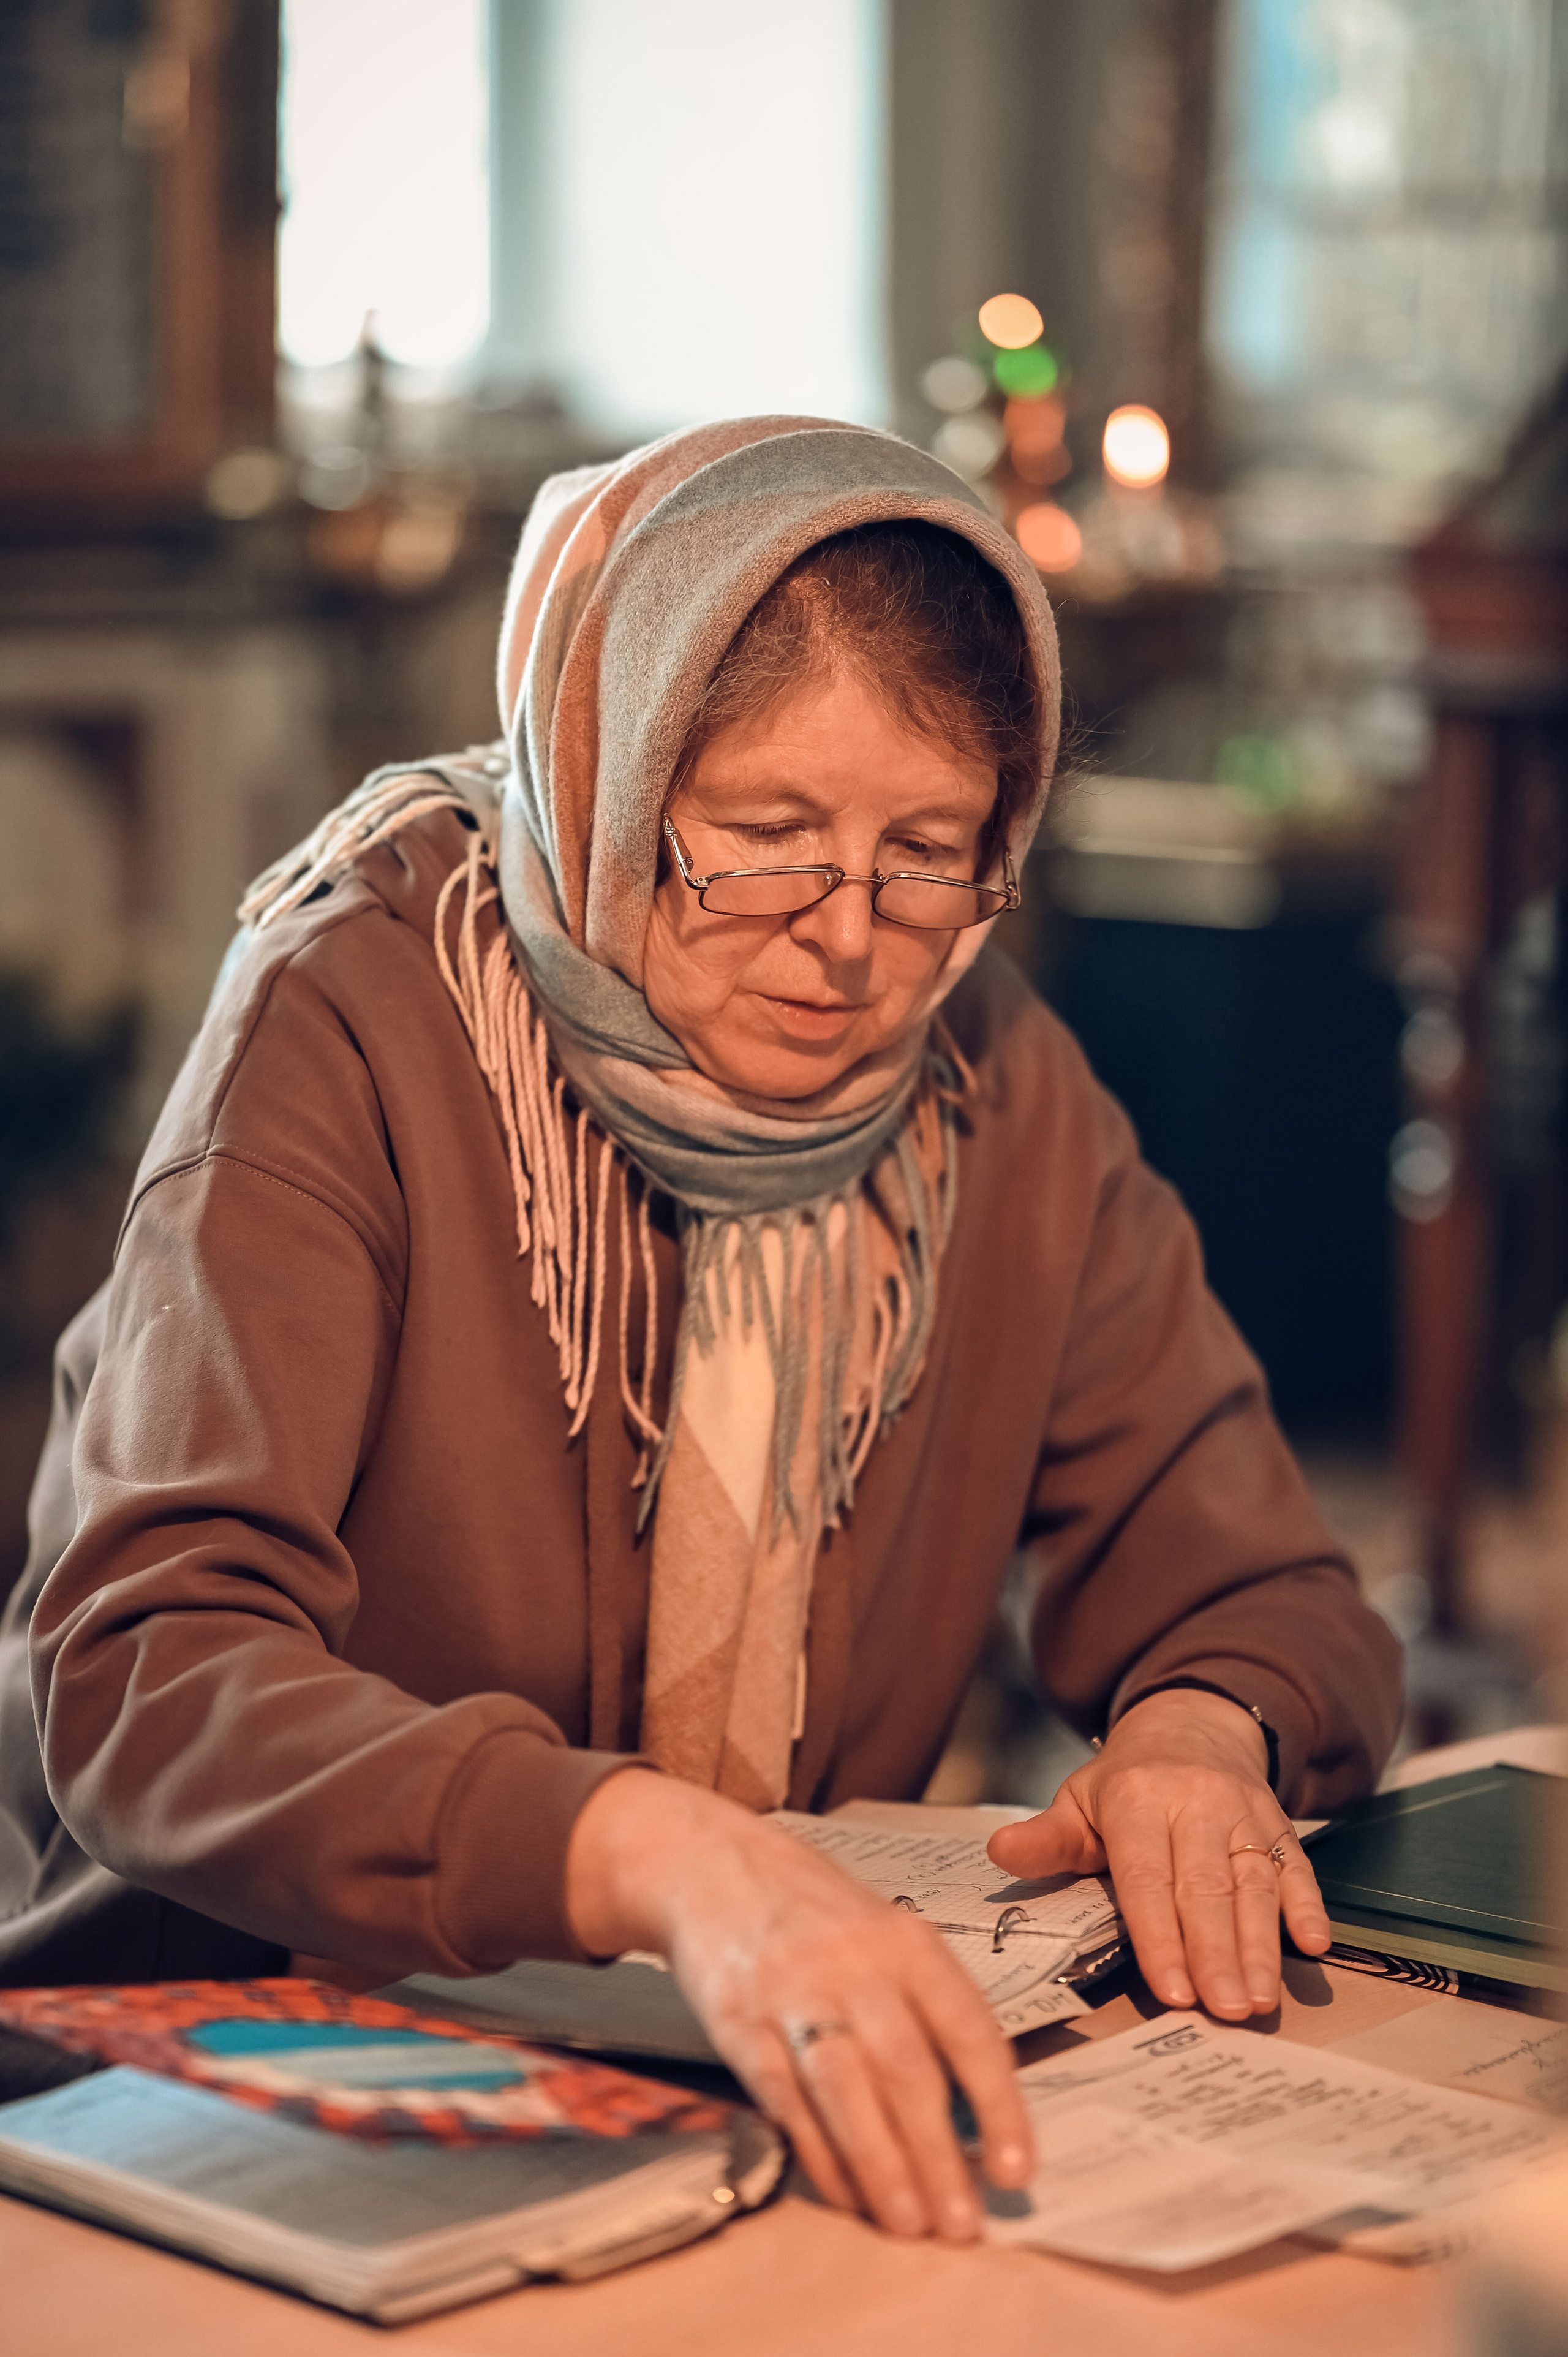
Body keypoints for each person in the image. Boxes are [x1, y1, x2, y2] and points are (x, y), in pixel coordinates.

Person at [0, 417, 1401, 2244]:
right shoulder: (353, 1018)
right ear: (608, 763)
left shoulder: (995, 1089)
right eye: (763, 842)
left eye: (928, 853)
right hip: (247, 2054)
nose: (849, 940)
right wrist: (654, 1853)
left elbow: (1271, 1590)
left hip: (745, 2070)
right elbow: (150, 1672)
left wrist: (1209, 1731)